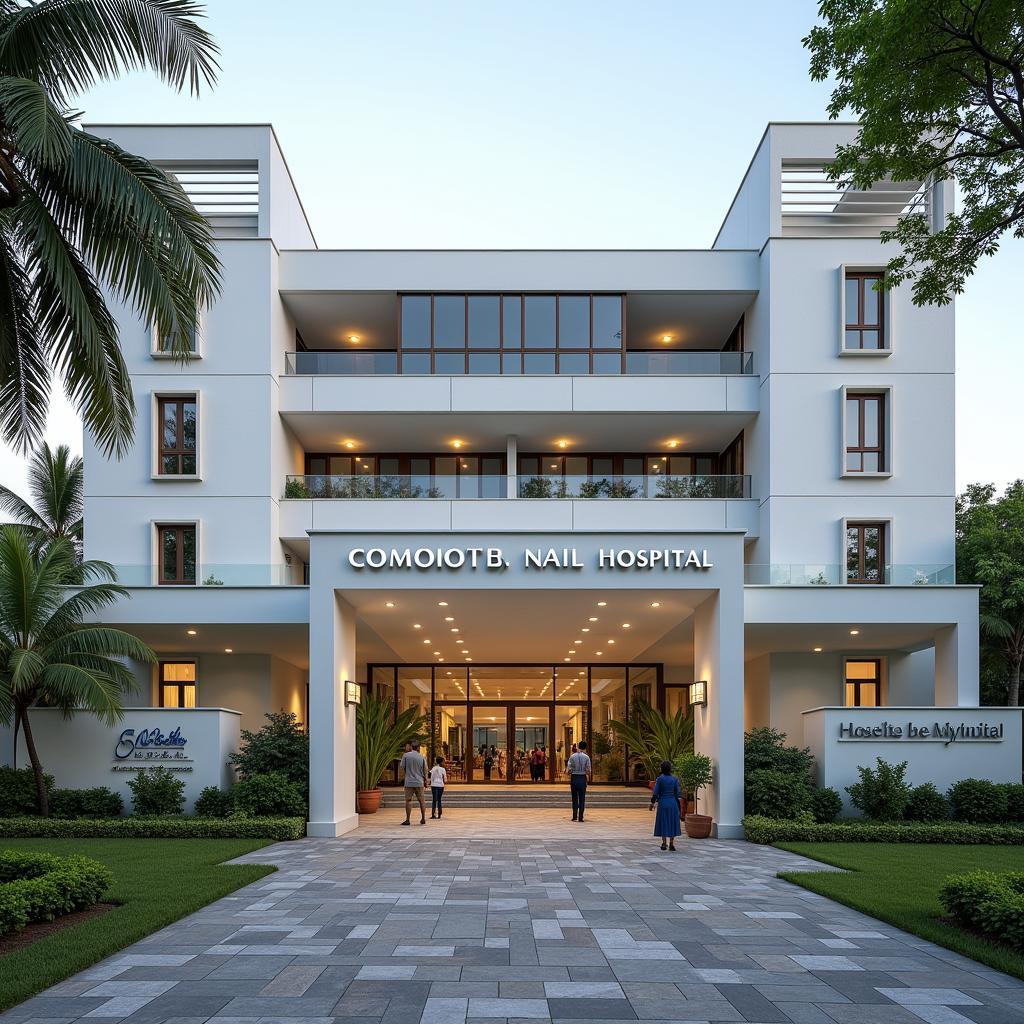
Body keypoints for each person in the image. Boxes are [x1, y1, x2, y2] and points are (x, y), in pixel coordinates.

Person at [649, 760, 682, 851]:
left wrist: (652, 803)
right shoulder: (674, 779)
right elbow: (677, 793)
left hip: (663, 803)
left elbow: (655, 793)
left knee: (663, 821)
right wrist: (678, 804)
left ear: (662, 769)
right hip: (672, 803)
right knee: (672, 821)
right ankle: (671, 843)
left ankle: (664, 843)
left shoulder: (660, 779)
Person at [399, 741, 428, 826]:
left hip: (409, 782)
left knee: (408, 800)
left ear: (411, 747)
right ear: (418, 748)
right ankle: (423, 818)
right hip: (419, 782)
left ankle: (408, 819)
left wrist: (407, 774)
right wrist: (425, 780)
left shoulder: (406, 756)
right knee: (421, 801)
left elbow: (403, 767)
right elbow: (425, 770)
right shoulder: (422, 757)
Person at [566, 740, 592, 822]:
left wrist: (572, 772)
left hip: (574, 778)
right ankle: (580, 817)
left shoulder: (572, 756)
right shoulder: (587, 757)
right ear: (585, 747)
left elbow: (569, 770)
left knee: (574, 798)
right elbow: (588, 771)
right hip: (582, 778)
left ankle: (574, 816)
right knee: (582, 798)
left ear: (578, 746)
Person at [430, 755, 447, 819]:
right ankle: (439, 813)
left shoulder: (433, 768)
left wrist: (431, 782)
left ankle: (433, 814)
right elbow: (445, 779)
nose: (444, 763)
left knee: (434, 799)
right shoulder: (443, 769)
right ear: (441, 762)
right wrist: (443, 781)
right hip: (440, 785)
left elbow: (432, 777)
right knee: (439, 799)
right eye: (443, 762)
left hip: (434, 785)